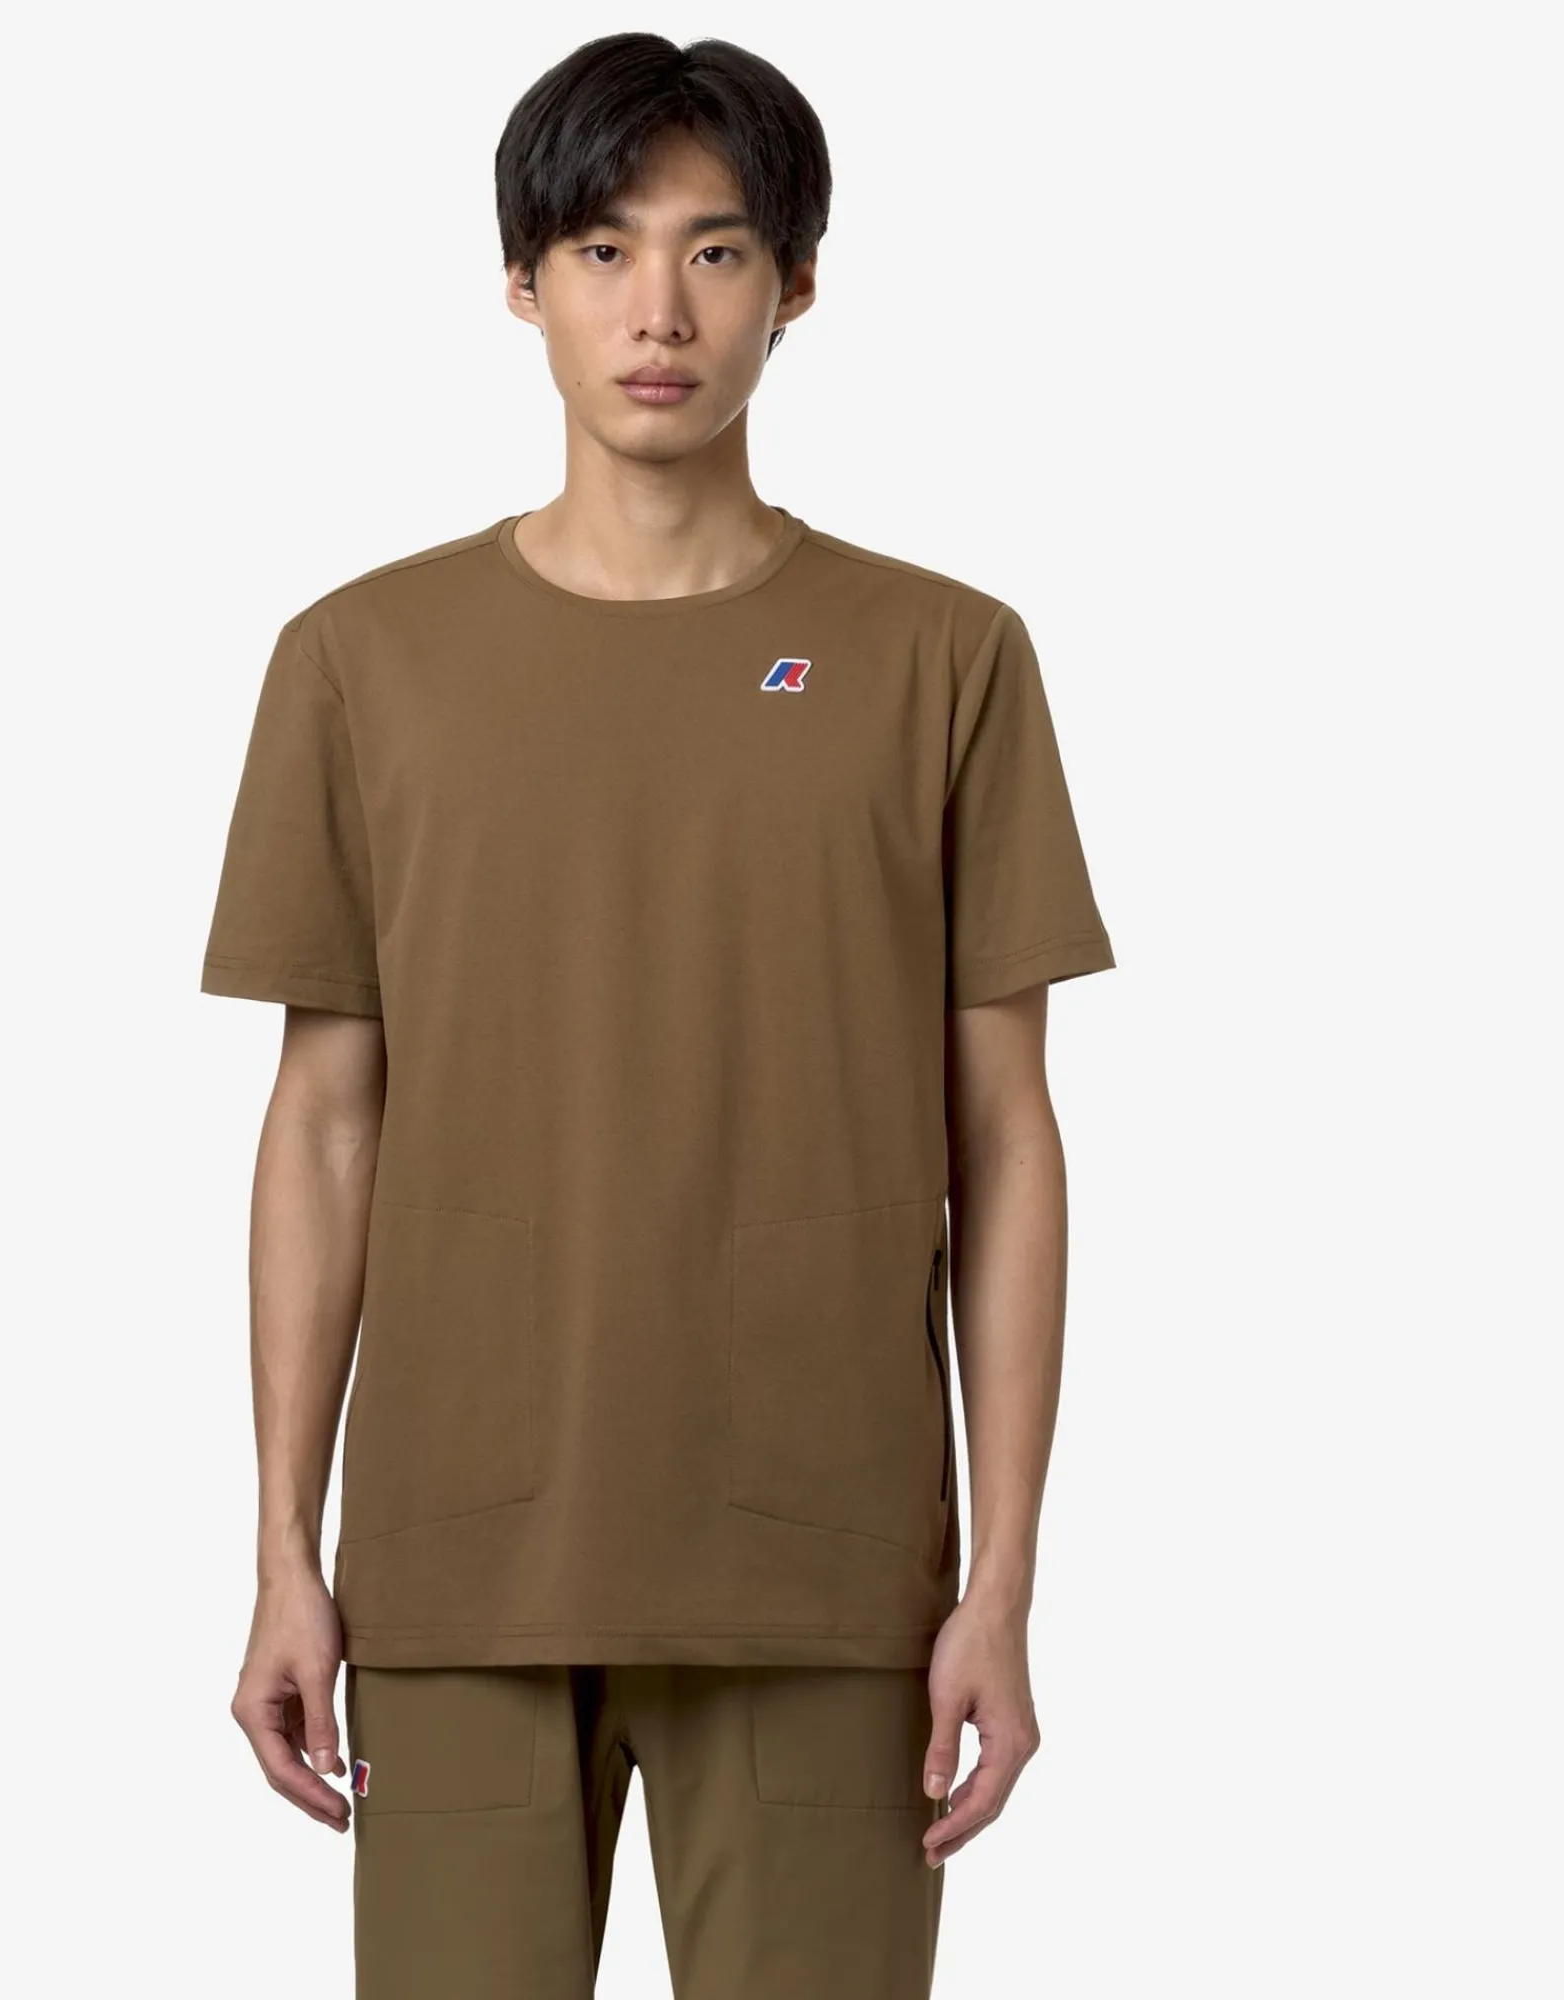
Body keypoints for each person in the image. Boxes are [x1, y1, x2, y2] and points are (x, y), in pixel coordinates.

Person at [199, 31, 1116, 1998]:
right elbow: (323, 1125)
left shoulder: (943, 659)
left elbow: (1008, 1140)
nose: (658, 312)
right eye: (603, 251)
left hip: (822, 1577)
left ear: (798, 284)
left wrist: (1002, 1580)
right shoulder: (360, 661)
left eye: (716, 251)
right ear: (519, 284)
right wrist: (285, 1544)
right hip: (457, 1568)